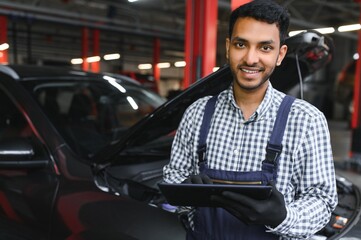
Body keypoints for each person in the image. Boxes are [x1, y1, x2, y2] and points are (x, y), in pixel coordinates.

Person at [163, 0, 338, 239]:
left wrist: (284, 217)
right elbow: (172, 177)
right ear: (228, 48)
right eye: (240, 44)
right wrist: (185, 193)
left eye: (265, 48)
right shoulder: (197, 113)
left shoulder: (306, 121)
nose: (251, 58)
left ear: (280, 54)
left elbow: (322, 201)